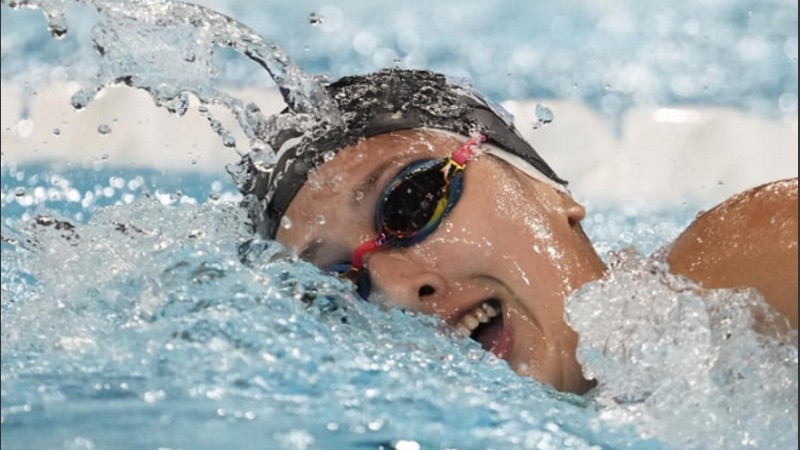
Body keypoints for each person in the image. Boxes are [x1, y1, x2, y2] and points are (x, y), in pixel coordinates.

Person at [234, 69, 798, 394]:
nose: (395, 287)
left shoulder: (733, 277)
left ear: (548, 190)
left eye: (409, 203)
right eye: (338, 286)